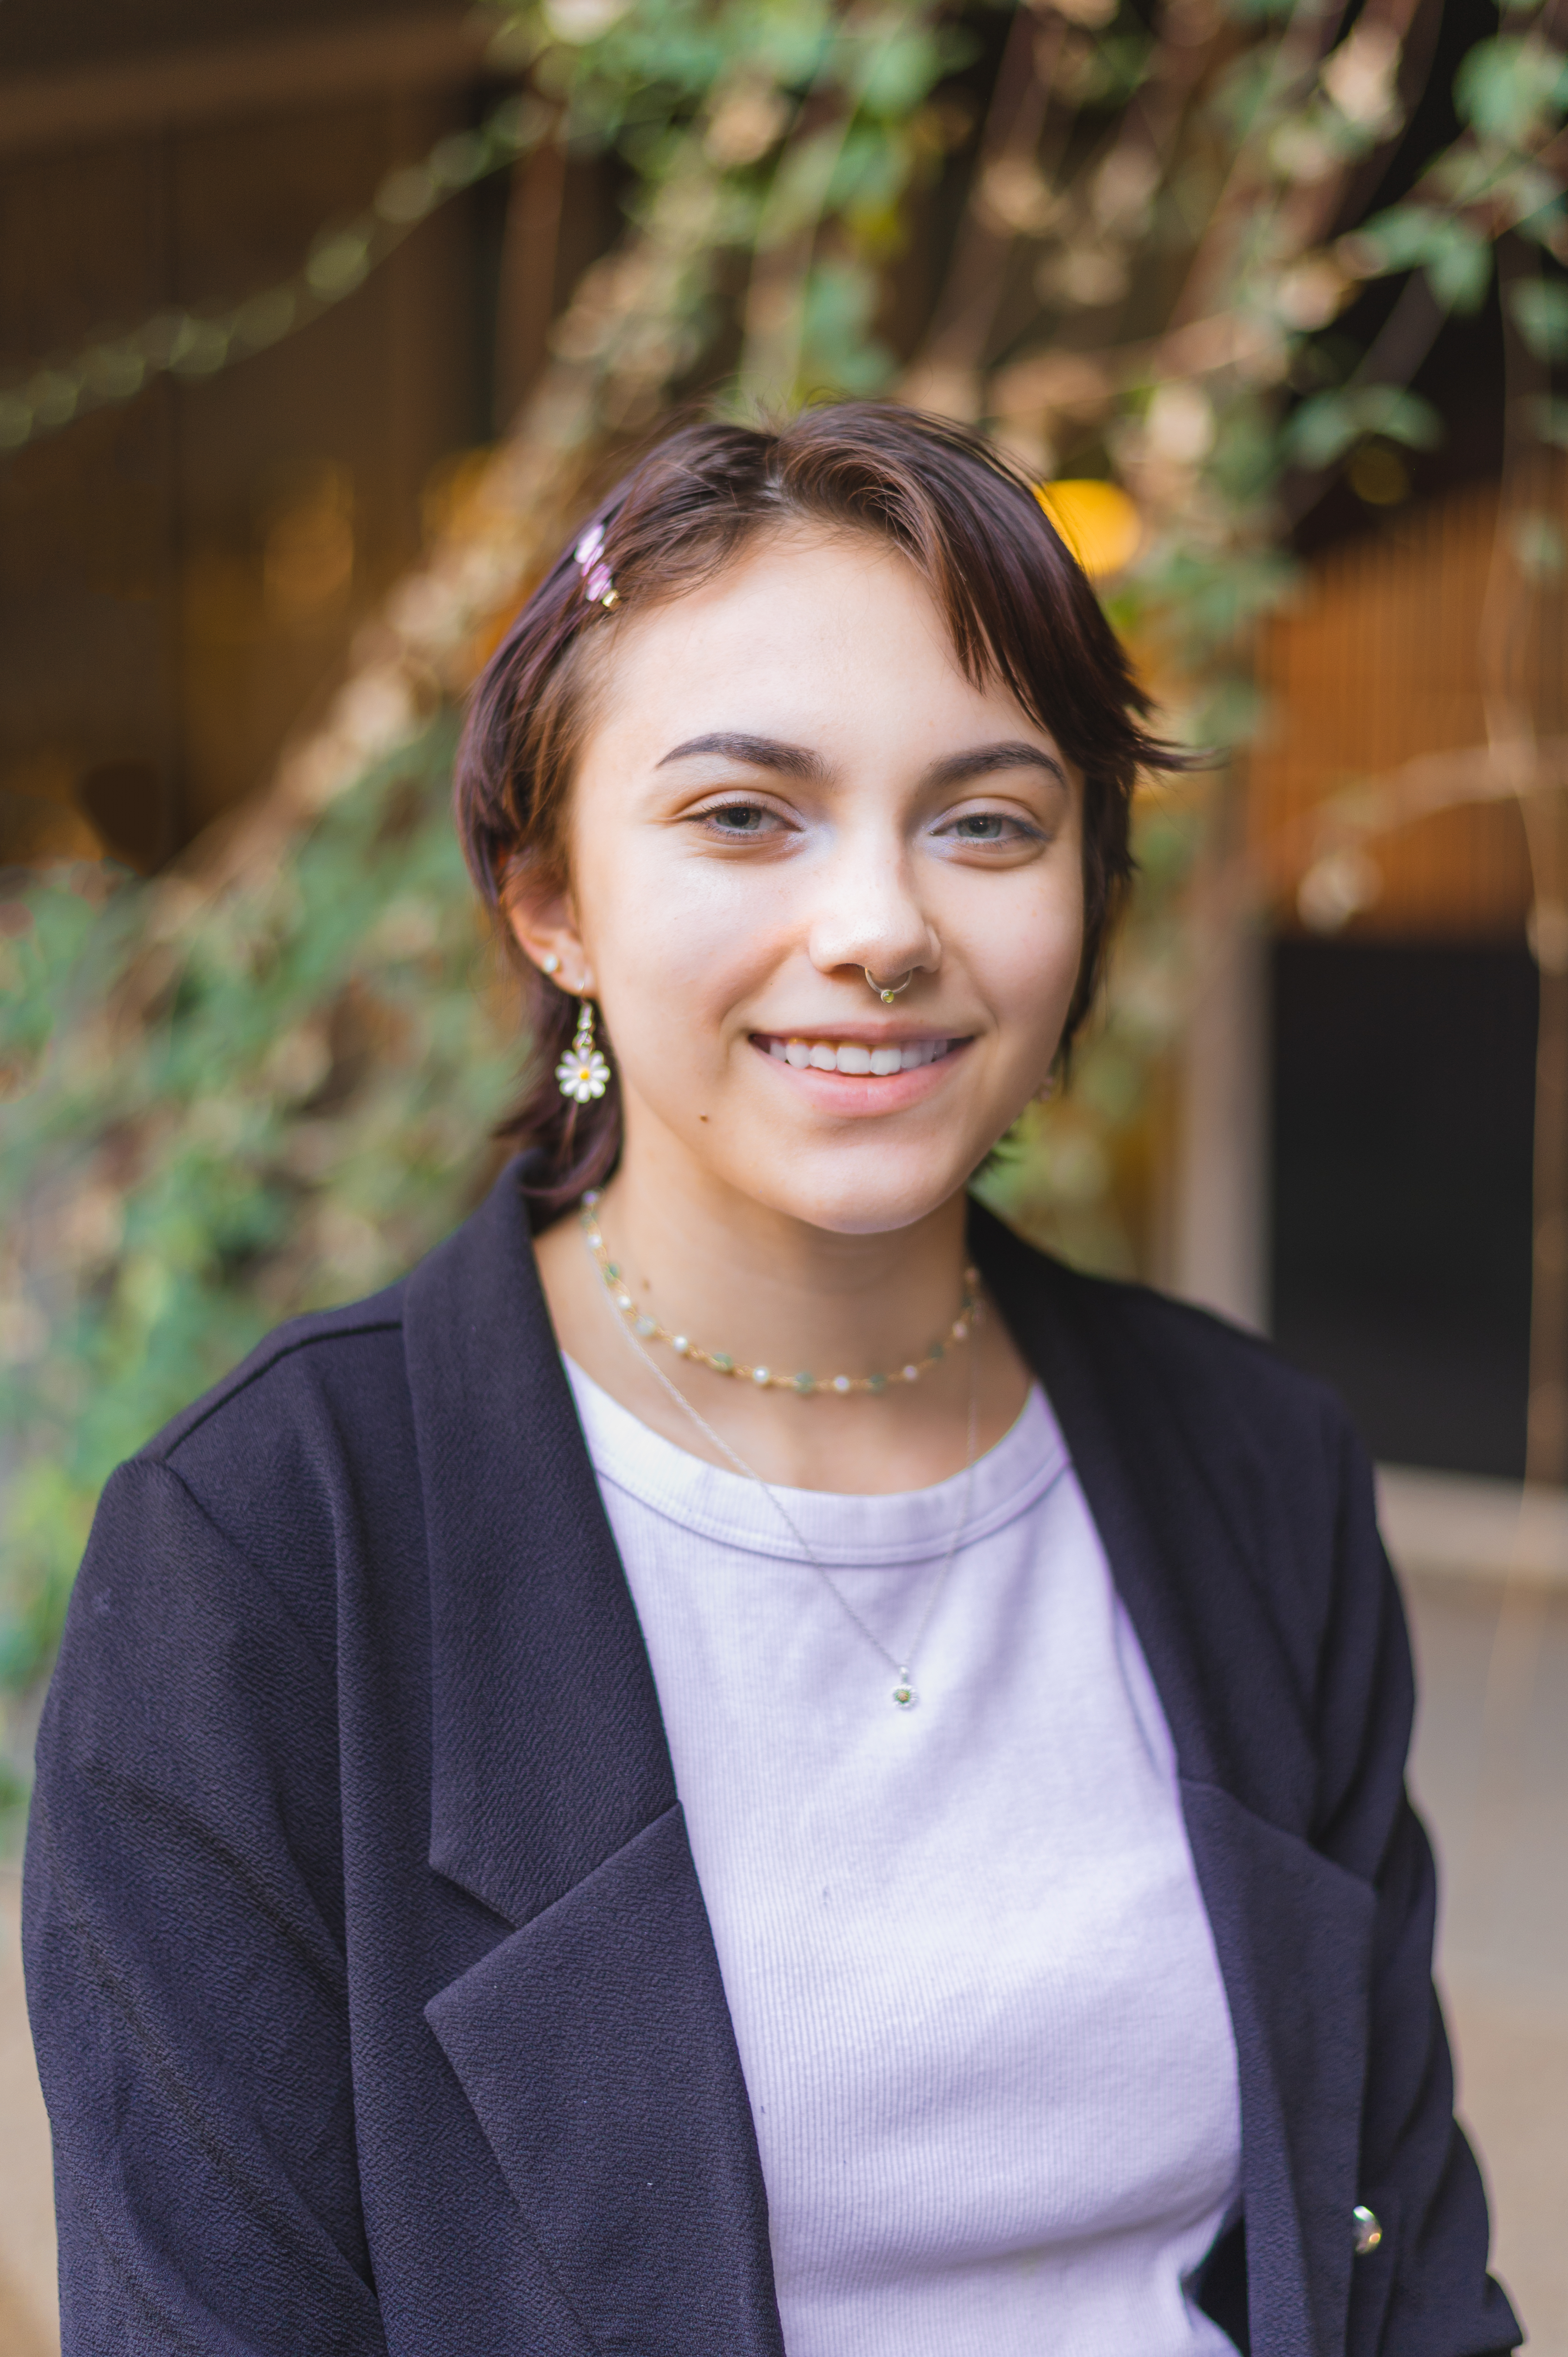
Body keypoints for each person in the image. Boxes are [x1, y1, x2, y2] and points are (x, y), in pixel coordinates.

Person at [25, 405, 1518, 2357]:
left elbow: (1405, 2277)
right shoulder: (269, 1555)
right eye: (745, 815)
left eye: (988, 820)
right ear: (547, 895)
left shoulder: (1254, 1470)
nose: (882, 927)